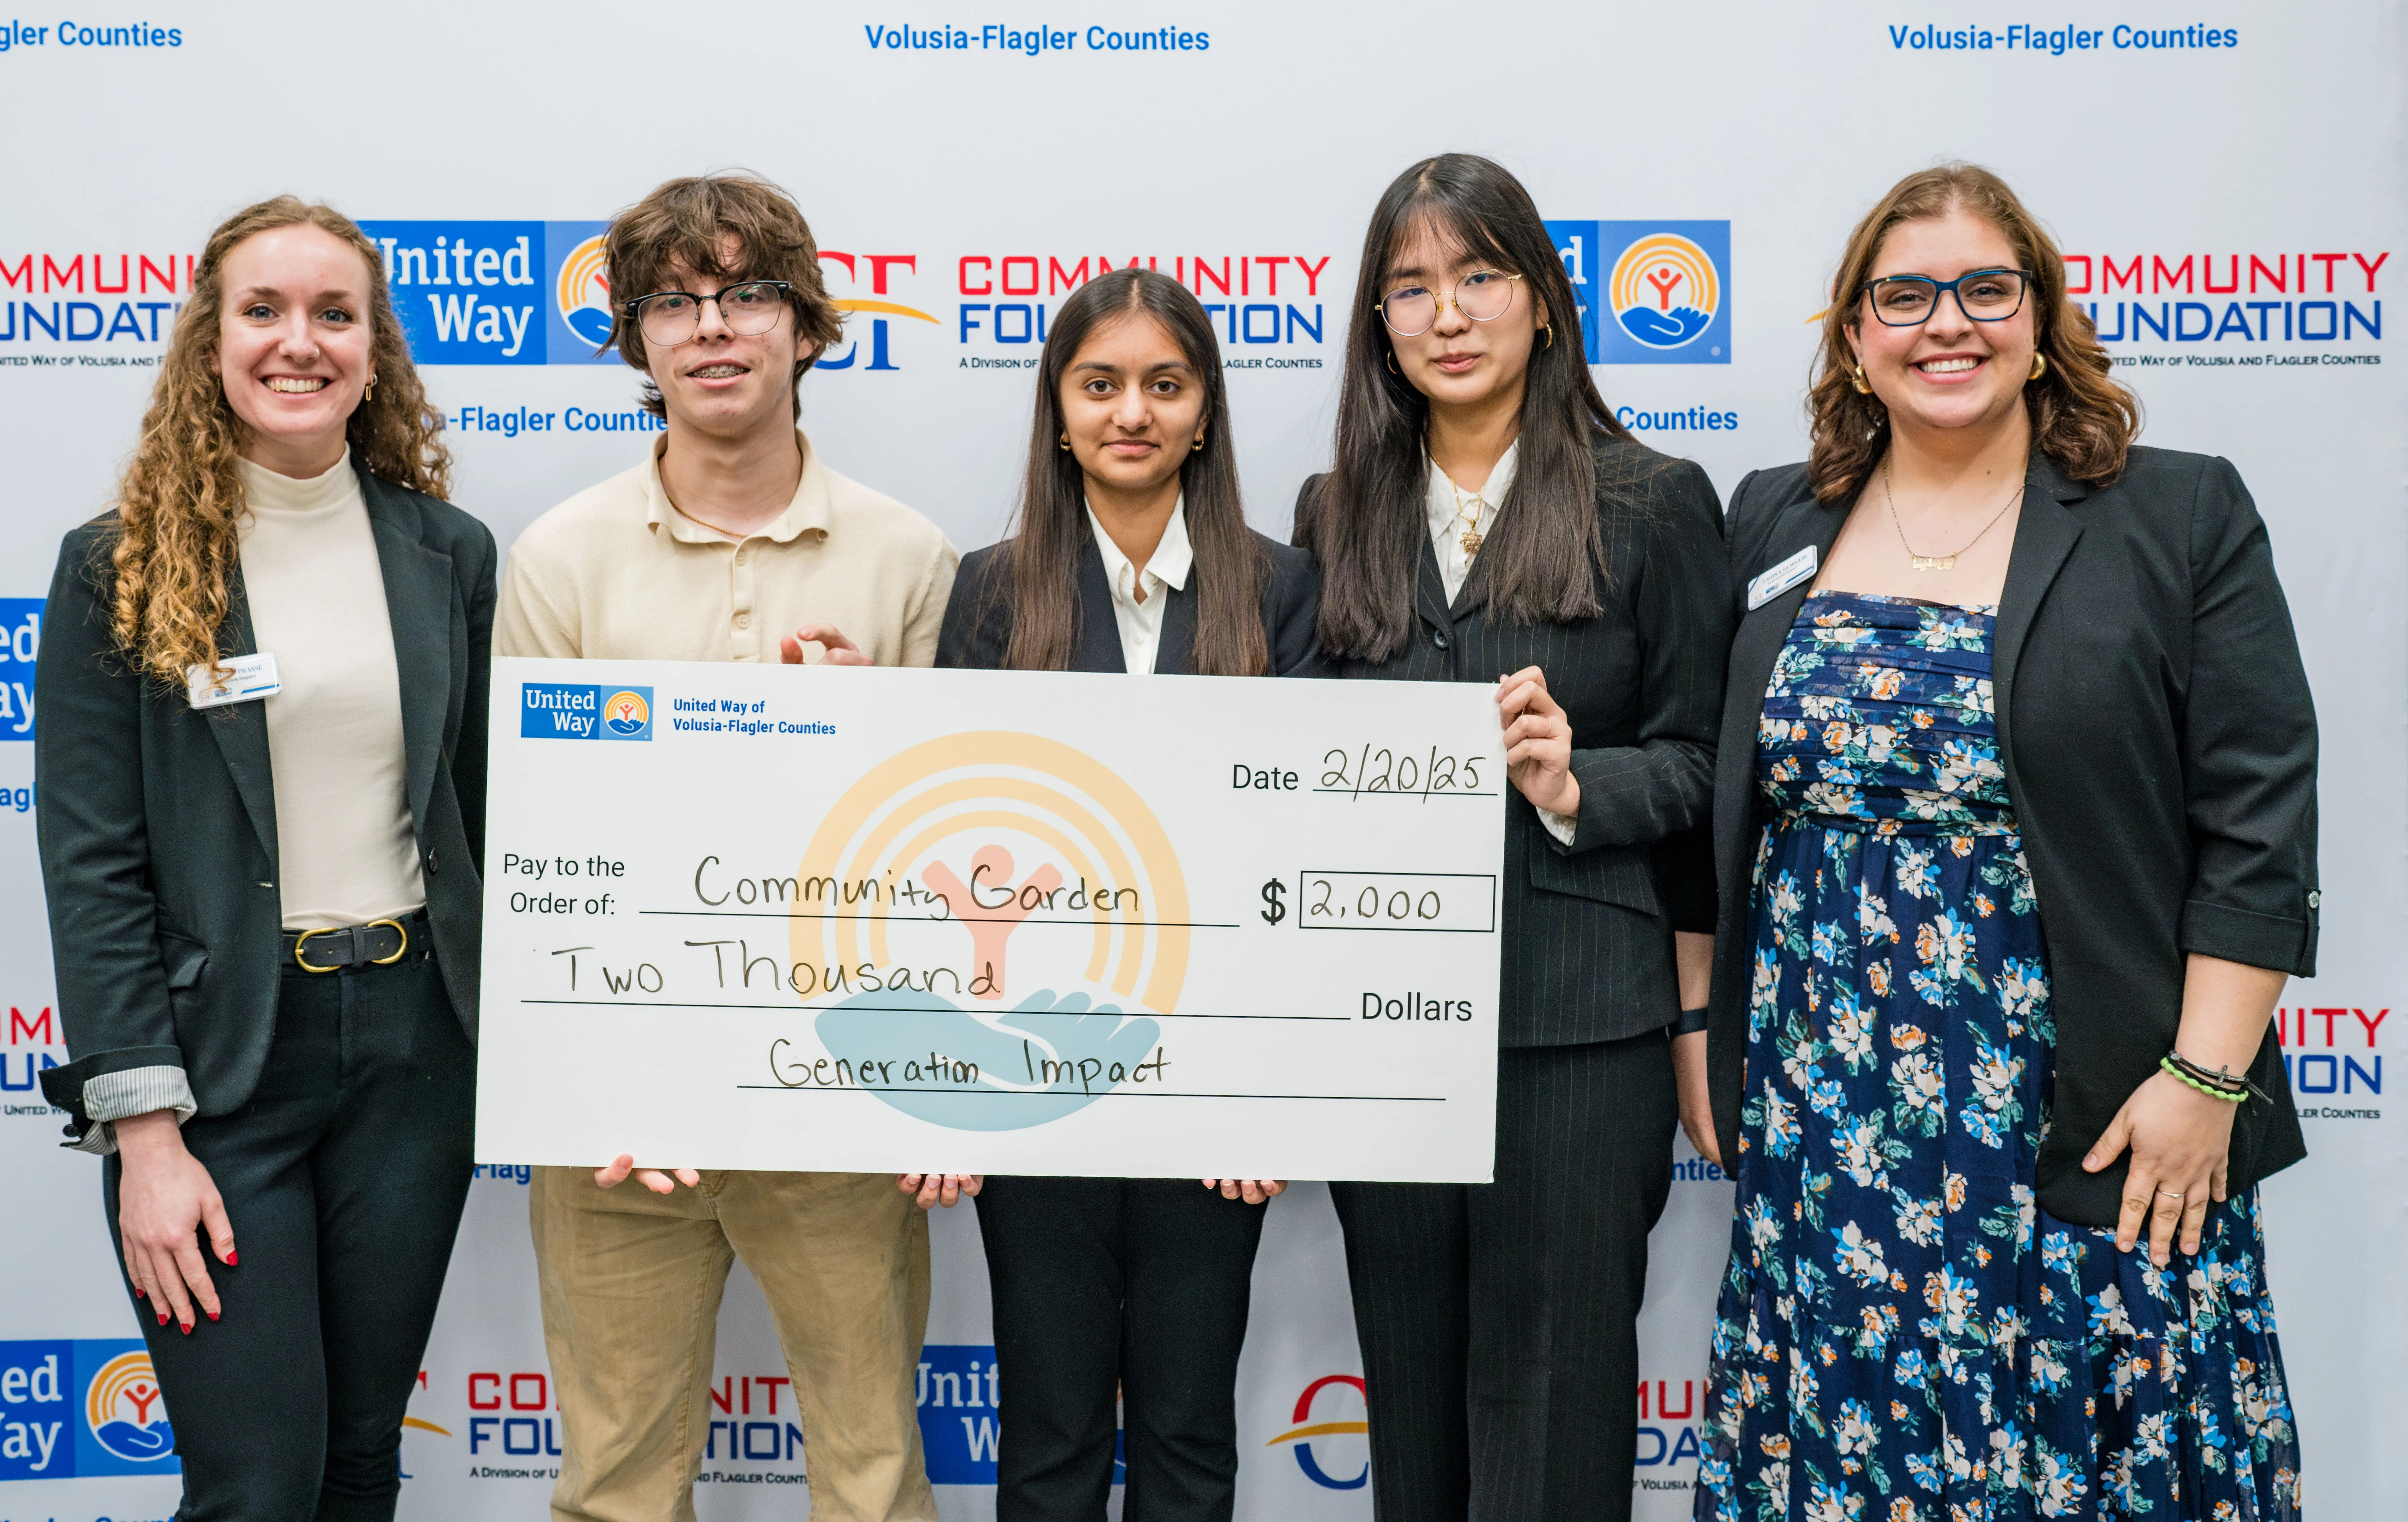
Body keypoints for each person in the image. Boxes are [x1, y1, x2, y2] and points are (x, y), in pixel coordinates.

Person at [1693, 163, 2310, 1522]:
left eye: (1984, 288)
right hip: (1830, 1133)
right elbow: (1720, 793)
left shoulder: (2175, 514)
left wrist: (2204, 1081)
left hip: (2094, 1117)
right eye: (1903, 295)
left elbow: (2259, 819)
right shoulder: (1769, 522)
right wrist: (1702, 1025)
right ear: (1855, 339)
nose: (1946, 324)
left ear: (2038, 318)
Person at [494, 172, 963, 1522]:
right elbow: (533, 845)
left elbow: (952, 845)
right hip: (616, 1126)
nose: (713, 326)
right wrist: (592, 1079)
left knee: (873, 1480)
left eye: (747, 292)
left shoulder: (908, 554)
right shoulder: (560, 557)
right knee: (616, 1486)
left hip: (837, 1099)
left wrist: (864, 739)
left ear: (808, 328)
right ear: (635, 338)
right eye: (674, 300)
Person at [35, 198, 496, 1521]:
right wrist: (145, 1132)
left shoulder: (447, 554)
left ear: (374, 349)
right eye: (265, 311)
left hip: (417, 1061)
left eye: (333, 314)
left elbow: (487, 821)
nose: (300, 342)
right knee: (256, 1484)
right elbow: (93, 866)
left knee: (359, 1468)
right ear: (213, 340)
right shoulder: (117, 566)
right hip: (223, 1071)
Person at [1293, 153, 1732, 1520]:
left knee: (1556, 1401)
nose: (1447, 312)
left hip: (1580, 1024)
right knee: (1408, 1406)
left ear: (1544, 299)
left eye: (1479, 275)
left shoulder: (1653, 498)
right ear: (1378, 323)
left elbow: (1709, 767)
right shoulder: (1333, 509)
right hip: (1386, 1028)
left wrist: (1573, 779)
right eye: (1409, 286)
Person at [935, 266, 1324, 1521]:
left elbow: (1302, 859)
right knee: (1046, 1433)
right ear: (1058, 410)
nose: (1132, 413)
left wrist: (1263, 1095)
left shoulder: (1283, 589)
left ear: (1204, 411)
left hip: (1212, 1092)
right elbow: (957, 858)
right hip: (1036, 1075)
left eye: (1165, 384)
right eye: (1100, 384)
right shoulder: (990, 591)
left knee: (1185, 1428)